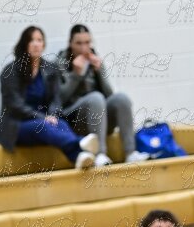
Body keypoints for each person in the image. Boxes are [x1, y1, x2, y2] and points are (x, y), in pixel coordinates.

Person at [0, 26, 98, 170]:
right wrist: (42, 117)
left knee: (61, 124)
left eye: (39, 40)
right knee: (43, 126)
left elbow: (55, 99)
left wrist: (52, 115)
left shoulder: (50, 68)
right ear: (24, 44)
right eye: (31, 40)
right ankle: (80, 143)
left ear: (44, 44)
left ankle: (80, 157)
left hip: (44, 121)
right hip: (16, 125)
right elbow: (15, 106)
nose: (36, 44)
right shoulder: (10, 71)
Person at [58, 24, 149, 166]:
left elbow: (109, 95)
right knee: (96, 97)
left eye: (87, 42)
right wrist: (76, 75)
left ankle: (131, 153)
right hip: (74, 121)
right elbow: (59, 99)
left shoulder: (95, 58)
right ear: (70, 44)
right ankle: (99, 154)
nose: (84, 48)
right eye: (79, 43)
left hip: (99, 119)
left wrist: (99, 71)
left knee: (121, 99)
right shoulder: (60, 62)